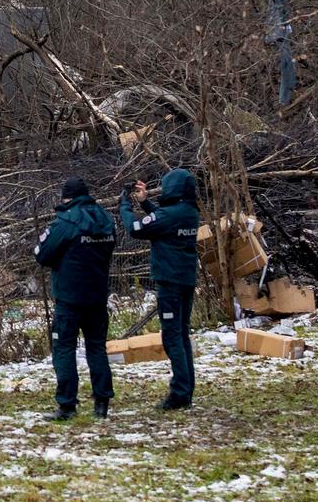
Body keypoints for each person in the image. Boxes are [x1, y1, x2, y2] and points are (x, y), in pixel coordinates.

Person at [33, 176, 118, 420]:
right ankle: (102, 402)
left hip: (69, 298)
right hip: (97, 295)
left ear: (66, 198)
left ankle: (67, 405)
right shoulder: (105, 219)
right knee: (96, 348)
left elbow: (42, 254)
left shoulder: (65, 222)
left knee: (64, 349)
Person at [122, 168, 202, 410]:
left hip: (169, 281)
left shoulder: (171, 214)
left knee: (171, 336)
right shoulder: (189, 212)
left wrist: (125, 206)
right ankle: (186, 390)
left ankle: (179, 392)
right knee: (181, 333)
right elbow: (162, 220)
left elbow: (135, 229)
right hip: (186, 279)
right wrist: (146, 204)